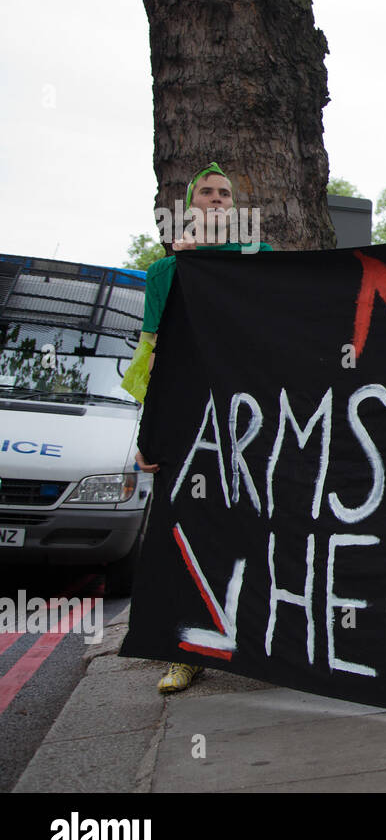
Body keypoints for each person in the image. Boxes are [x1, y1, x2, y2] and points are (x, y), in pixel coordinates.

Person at [122, 161, 272, 694]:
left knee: (251, 523)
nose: (216, 199)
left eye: (224, 194)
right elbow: (152, 357)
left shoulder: (259, 261)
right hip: (187, 422)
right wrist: (150, 432)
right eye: (206, 192)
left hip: (246, 421)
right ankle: (183, 650)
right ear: (190, 205)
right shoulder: (165, 273)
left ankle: (258, 645)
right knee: (179, 529)